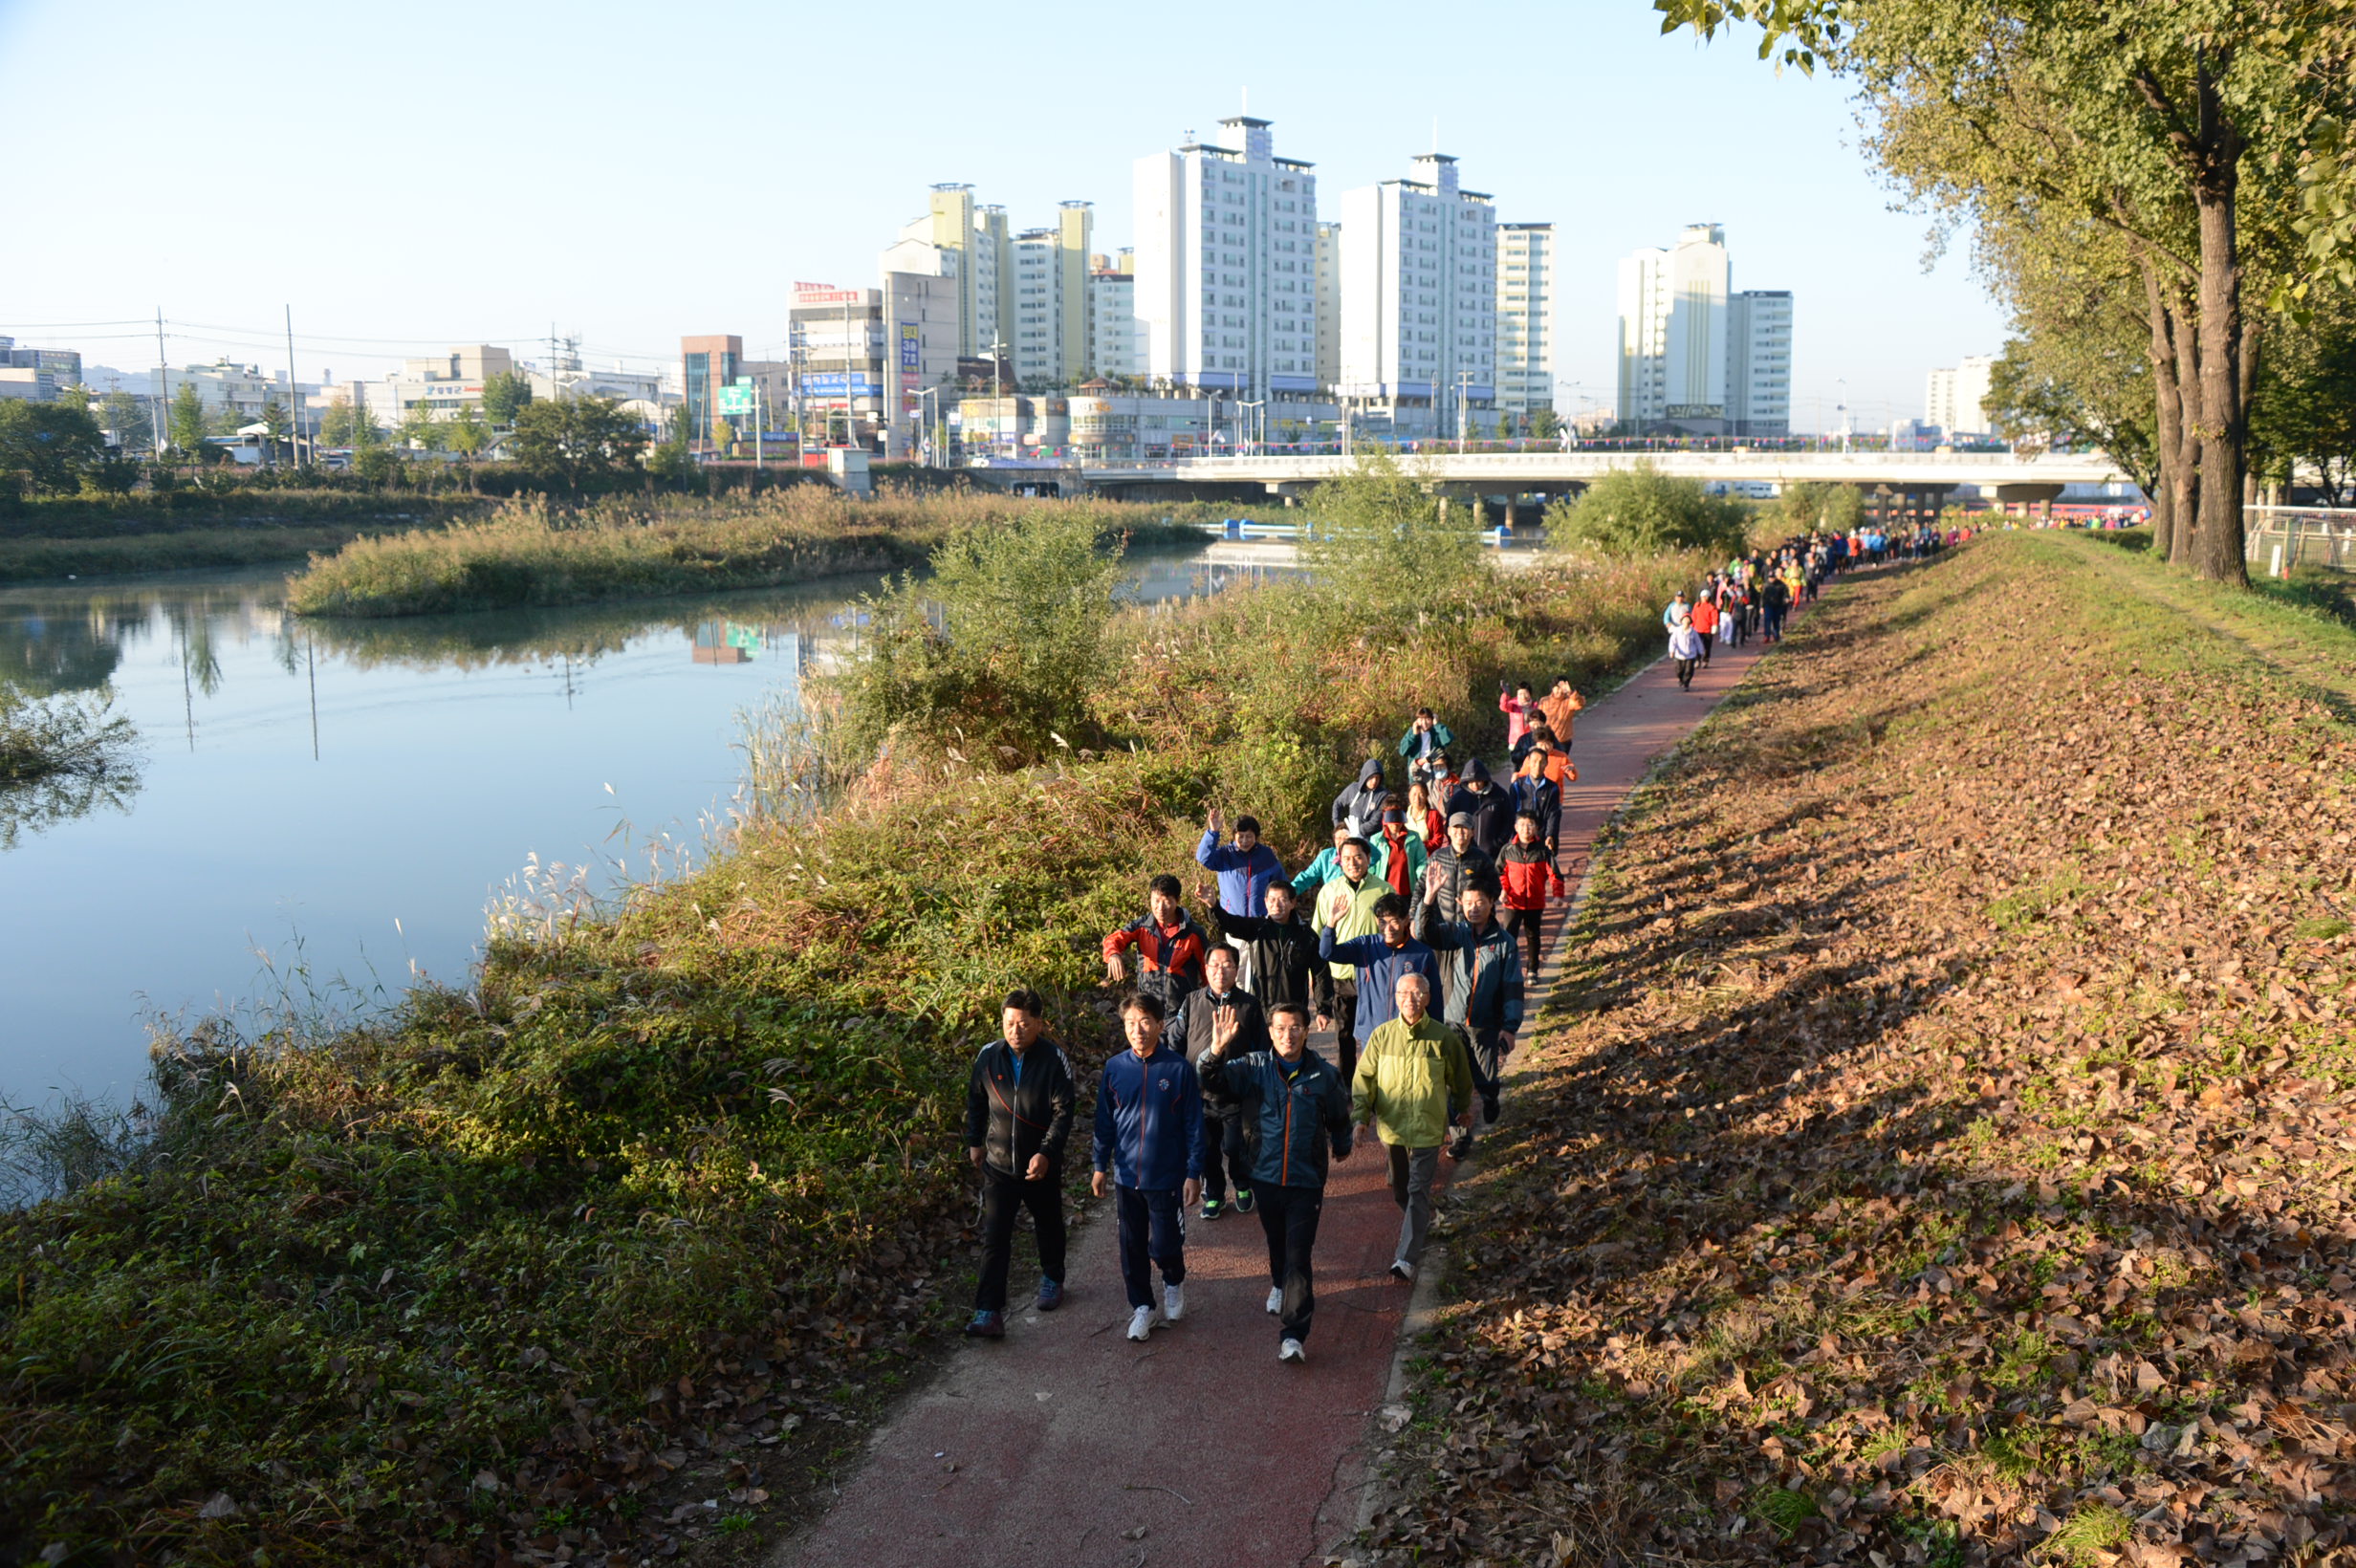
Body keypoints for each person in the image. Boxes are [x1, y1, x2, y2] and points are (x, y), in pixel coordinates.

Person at [1198, 1000, 1354, 1363]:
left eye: (1295, 1027)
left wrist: (1343, 1145)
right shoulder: (1254, 1067)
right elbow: (1211, 1081)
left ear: (1307, 1030)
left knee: (1299, 1255)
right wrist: (1216, 1049)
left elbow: (1338, 1117)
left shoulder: (1324, 1075)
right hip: (1265, 1176)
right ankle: (1278, 1283)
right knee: (1277, 1243)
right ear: (1270, 1032)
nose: (1288, 1035)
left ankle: (1293, 1334)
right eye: (1281, 1028)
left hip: (1306, 1180)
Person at [961, 988, 1079, 1339]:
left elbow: (1063, 1112)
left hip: (1039, 1163)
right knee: (995, 1236)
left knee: (1048, 1223)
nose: (1016, 1030)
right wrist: (974, 1141)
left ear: (1039, 1024)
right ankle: (988, 1311)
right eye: (1010, 1023)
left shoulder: (1054, 1060)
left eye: (1024, 1023)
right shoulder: (988, 1056)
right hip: (998, 1164)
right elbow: (976, 1099)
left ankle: (1052, 1277)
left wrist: (1046, 1153)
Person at [1091, 991, 1205, 1341]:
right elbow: (1104, 1122)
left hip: (1167, 1176)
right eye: (1130, 1023)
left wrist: (1192, 1171)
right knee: (1131, 1245)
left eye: (1144, 1022)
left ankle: (1173, 1282)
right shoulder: (1115, 1068)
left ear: (1159, 1025)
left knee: (1165, 1245)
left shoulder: (1178, 1069)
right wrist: (1099, 1164)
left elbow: (1193, 1124)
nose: (1137, 1030)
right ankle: (1143, 1307)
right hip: (1126, 1177)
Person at [1352, 972, 1472, 1282]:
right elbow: (1364, 1081)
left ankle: (1405, 1257)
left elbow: (1460, 1079)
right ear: (1395, 998)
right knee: (1402, 1191)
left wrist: (1462, 1110)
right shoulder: (1381, 1036)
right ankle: (1420, 1222)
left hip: (1427, 1129)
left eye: (1417, 993)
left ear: (1428, 998)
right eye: (1404, 993)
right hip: (1392, 1130)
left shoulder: (1444, 1038)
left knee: (1418, 1190)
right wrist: (1361, 1119)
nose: (1410, 999)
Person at [1414, 867, 1523, 1160]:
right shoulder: (1456, 934)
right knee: (1454, 1081)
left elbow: (1513, 988)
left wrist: (1510, 1028)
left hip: (1486, 1025)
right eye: (1468, 902)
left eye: (1480, 902)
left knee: (1484, 1078)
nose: (1474, 908)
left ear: (1491, 903)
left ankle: (1490, 1097)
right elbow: (1423, 933)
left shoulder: (1505, 944)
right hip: (1452, 1022)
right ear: (1460, 902)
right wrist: (1429, 899)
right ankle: (1459, 1137)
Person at [1178, 947, 1267, 1220]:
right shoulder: (1191, 1001)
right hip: (1198, 1094)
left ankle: (1242, 1185)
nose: (1220, 970)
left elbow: (1261, 1049)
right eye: (1214, 964)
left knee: (1235, 1146)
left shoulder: (1249, 1005)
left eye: (1227, 964)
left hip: (1234, 1094)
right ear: (1205, 969)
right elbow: (1177, 1042)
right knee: (1205, 1149)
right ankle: (1214, 1193)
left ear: (1236, 969)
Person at [1319, 890, 1442, 1052]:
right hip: (1372, 1033)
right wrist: (1331, 924)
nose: (1388, 928)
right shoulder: (1365, 946)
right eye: (1382, 922)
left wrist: (1437, 1034)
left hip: (1410, 1034)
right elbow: (1327, 953)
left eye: (1394, 921)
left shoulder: (1422, 954)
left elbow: (1434, 999)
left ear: (1406, 920)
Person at [1308, 837, 1385, 1082]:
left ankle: (1375, 1083)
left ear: (1369, 859)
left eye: (1359, 857)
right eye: (1347, 858)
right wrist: (1315, 974)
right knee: (1344, 1033)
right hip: (1340, 976)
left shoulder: (1383, 890)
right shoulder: (1329, 891)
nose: (1353, 863)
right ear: (1340, 861)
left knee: (1375, 1033)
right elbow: (1317, 935)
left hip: (1373, 976)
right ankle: (1346, 1085)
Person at [1208, 877, 1330, 1028]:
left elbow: (1321, 973)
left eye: (1282, 900)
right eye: (1271, 900)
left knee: (1292, 1049)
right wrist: (1214, 906)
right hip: (1260, 1011)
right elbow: (1228, 923)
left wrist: (1323, 1009)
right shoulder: (1257, 928)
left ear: (1293, 902)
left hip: (1293, 1013)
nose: (1276, 905)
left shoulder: (1307, 935)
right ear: (1265, 902)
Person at [1102, 874, 1208, 1017]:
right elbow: (1114, 940)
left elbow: (1208, 970)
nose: (1160, 907)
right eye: (1156, 900)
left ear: (1177, 900)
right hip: (1148, 1011)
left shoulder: (1194, 933)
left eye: (1167, 901)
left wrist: (1210, 1003)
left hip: (1182, 1012)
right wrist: (1113, 955)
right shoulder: (1142, 926)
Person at [1497, 811, 1566, 977]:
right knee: (1509, 936)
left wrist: (1558, 895)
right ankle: (1508, 969)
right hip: (1513, 902)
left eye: (1530, 825)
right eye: (1521, 825)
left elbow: (1555, 874)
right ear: (1515, 827)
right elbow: (1500, 873)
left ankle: (1532, 970)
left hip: (1535, 902)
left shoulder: (1543, 851)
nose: (1525, 829)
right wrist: (1504, 890)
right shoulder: (1508, 850)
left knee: (1533, 936)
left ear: (1536, 828)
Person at [1195, 805, 1286, 921]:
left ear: (1256, 837)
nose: (1244, 841)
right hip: (1231, 920)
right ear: (1234, 836)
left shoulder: (1266, 855)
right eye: (1240, 836)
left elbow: (1280, 884)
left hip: (1261, 921)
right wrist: (1213, 832)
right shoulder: (1225, 854)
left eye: (1249, 836)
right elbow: (1203, 858)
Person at [1425, 811, 1495, 927]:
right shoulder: (1437, 857)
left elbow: (1494, 889)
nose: (1460, 832)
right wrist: (1413, 917)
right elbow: (1421, 889)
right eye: (1456, 828)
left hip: (1471, 926)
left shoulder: (1482, 859)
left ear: (1472, 832)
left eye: (1465, 828)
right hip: (1442, 925)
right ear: (1448, 831)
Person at [1445, 757, 1516, 860]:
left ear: (1484, 779)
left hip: (1493, 855)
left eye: (1478, 781)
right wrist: (1457, 844)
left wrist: (1498, 843)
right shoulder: (1459, 797)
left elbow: (1509, 821)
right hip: (1465, 853)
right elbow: (1449, 823)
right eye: (1471, 781)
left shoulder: (1499, 795)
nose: (1475, 785)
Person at [1510, 747, 1562, 862]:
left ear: (1546, 764)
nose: (1537, 766)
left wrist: (1550, 835)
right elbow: (1511, 811)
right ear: (1528, 762)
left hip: (1541, 836)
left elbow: (1553, 814)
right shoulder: (1517, 785)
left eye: (1541, 762)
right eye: (1534, 761)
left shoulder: (1552, 788)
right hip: (1521, 835)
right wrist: (1512, 835)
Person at [1371, 804, 1429, 898]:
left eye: (1398, 822)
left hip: (1407, 892)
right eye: (1392, 822)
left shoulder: (1414, 837)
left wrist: (1422, 882)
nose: (1395, 825)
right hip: (1383, 893)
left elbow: (1421, 862)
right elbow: (1371, 867)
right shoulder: (1376, 840)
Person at [1331, 758, 1389, 840]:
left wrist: (1357, 831)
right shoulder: (1353, 789)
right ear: (1365, 775)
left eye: (1377, 778)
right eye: (1371, 777)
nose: (1374, 781)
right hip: (1350, 837)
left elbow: (1376, 821)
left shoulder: (1384, 795)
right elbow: (1337, 804)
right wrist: (1338, 826)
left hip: (1372, 839)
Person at [1397, 707, 1455, 785]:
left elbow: (1448, 740)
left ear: (1432, 720)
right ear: (1417, 720)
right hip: (1417, 774)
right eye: (1421, 720)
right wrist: (1414, 735)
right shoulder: (1412, 732)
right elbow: (1402, 752)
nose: (1424, 723)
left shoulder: (1436, 731)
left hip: (1435, 773)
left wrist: (1437, 725)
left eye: (1427, 719)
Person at [1538, 677, 1586, 751]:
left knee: (1560, 762)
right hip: (1546, 740)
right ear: (1552, 688)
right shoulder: (1544, 701)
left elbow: (1580, 704)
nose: (1560, 691)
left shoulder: (1569, 702)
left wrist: (1571, 693)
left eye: (1562, 689)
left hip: (1563, 741)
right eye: (1557, 688)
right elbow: (1539, 719)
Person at [1496, 680, 1538, 752]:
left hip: (1530, 740)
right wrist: (1506, 694)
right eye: (1520, 694)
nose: (1523, 696)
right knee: (1516, 762)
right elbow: (1503, 706)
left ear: (1530, 694)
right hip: (1515, 741)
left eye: (1525, 693)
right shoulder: (1513, 705)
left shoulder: (1535, 706)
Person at [1403, 779, 1444, 850]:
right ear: (1409, 795)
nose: (1417, 799)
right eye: (1414, 794)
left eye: (1421, 795)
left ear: (1426, 796)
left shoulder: (1434, 815)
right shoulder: (1403, 814)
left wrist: (1419, 846)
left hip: (1426, 858)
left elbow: (1438, 841)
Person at [1669, 612, 1704, 690]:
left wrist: (1700, 652)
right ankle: (1681, 679)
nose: (1686, 622)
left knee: (1689, 670)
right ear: (1681, 621)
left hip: (1690, 655)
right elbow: (1672, 641)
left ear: (1690, 622)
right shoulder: (1677, 631)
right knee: (1679, 670)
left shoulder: (1693, 632)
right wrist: (1672, 651)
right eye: (1684, 620)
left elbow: (1698, 642)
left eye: (1688, 620)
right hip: (1679, 655)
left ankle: (1686, 683)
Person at [1759, 572, 1792, 644]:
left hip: (1778, 605)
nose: (1771, 579)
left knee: (1776, 620)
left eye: (1772, 577)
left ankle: (1776, 635)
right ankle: (1767, 635)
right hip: (1768, 605)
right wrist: (1761, 606)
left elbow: (1786, 593)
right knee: (1768, 619)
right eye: (1770, 578)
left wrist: (1786, 598)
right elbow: (1763, 597)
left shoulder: (1781, 585)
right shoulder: (1766, 585)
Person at [1690, 590, 1718, 668]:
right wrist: (1692, 626)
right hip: (1698, 629)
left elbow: (1714, 617)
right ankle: (1697, 660)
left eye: (1705, 597)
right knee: (1696, 646)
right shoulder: (1697, 605)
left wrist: (1714, 625)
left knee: (1707, 646)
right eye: (1702, 597)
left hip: (1708, 630)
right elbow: (1694, 616)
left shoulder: (1711, 606)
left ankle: (1705, 661)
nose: (1704, 598)